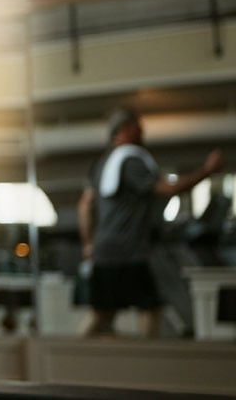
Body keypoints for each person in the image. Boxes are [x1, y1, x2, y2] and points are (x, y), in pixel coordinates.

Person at [78, 106, 223, 338]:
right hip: (129, 251)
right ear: (125, 130)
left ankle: (71, 359)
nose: (142, 132)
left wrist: (88, 242)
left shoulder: (102, 163)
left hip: (104, 250)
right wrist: (207, 171)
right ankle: (145, 363)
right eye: (138, 127)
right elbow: (168, 188)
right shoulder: (132, 161)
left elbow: (85, 205)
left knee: (102, 313)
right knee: (151, 309)